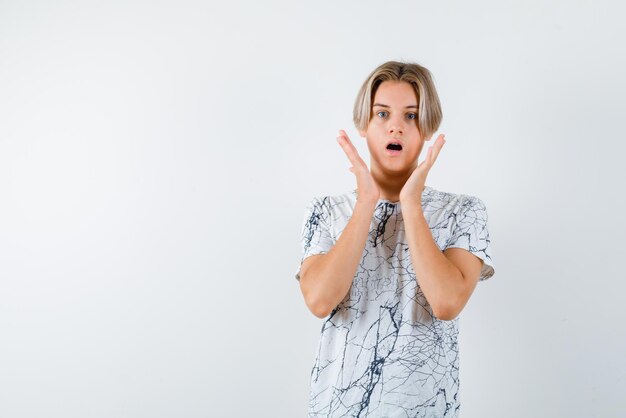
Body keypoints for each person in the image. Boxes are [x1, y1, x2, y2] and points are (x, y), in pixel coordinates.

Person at [294, 60, 496, 417]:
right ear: (364, 125)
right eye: (383, 114)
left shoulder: (463, 211)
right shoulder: (325, 210)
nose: (396, 128)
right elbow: (320, 301)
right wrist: (365, 203)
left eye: (411, 116)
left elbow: (446, 303)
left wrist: (412, 205)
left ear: (428, 128)